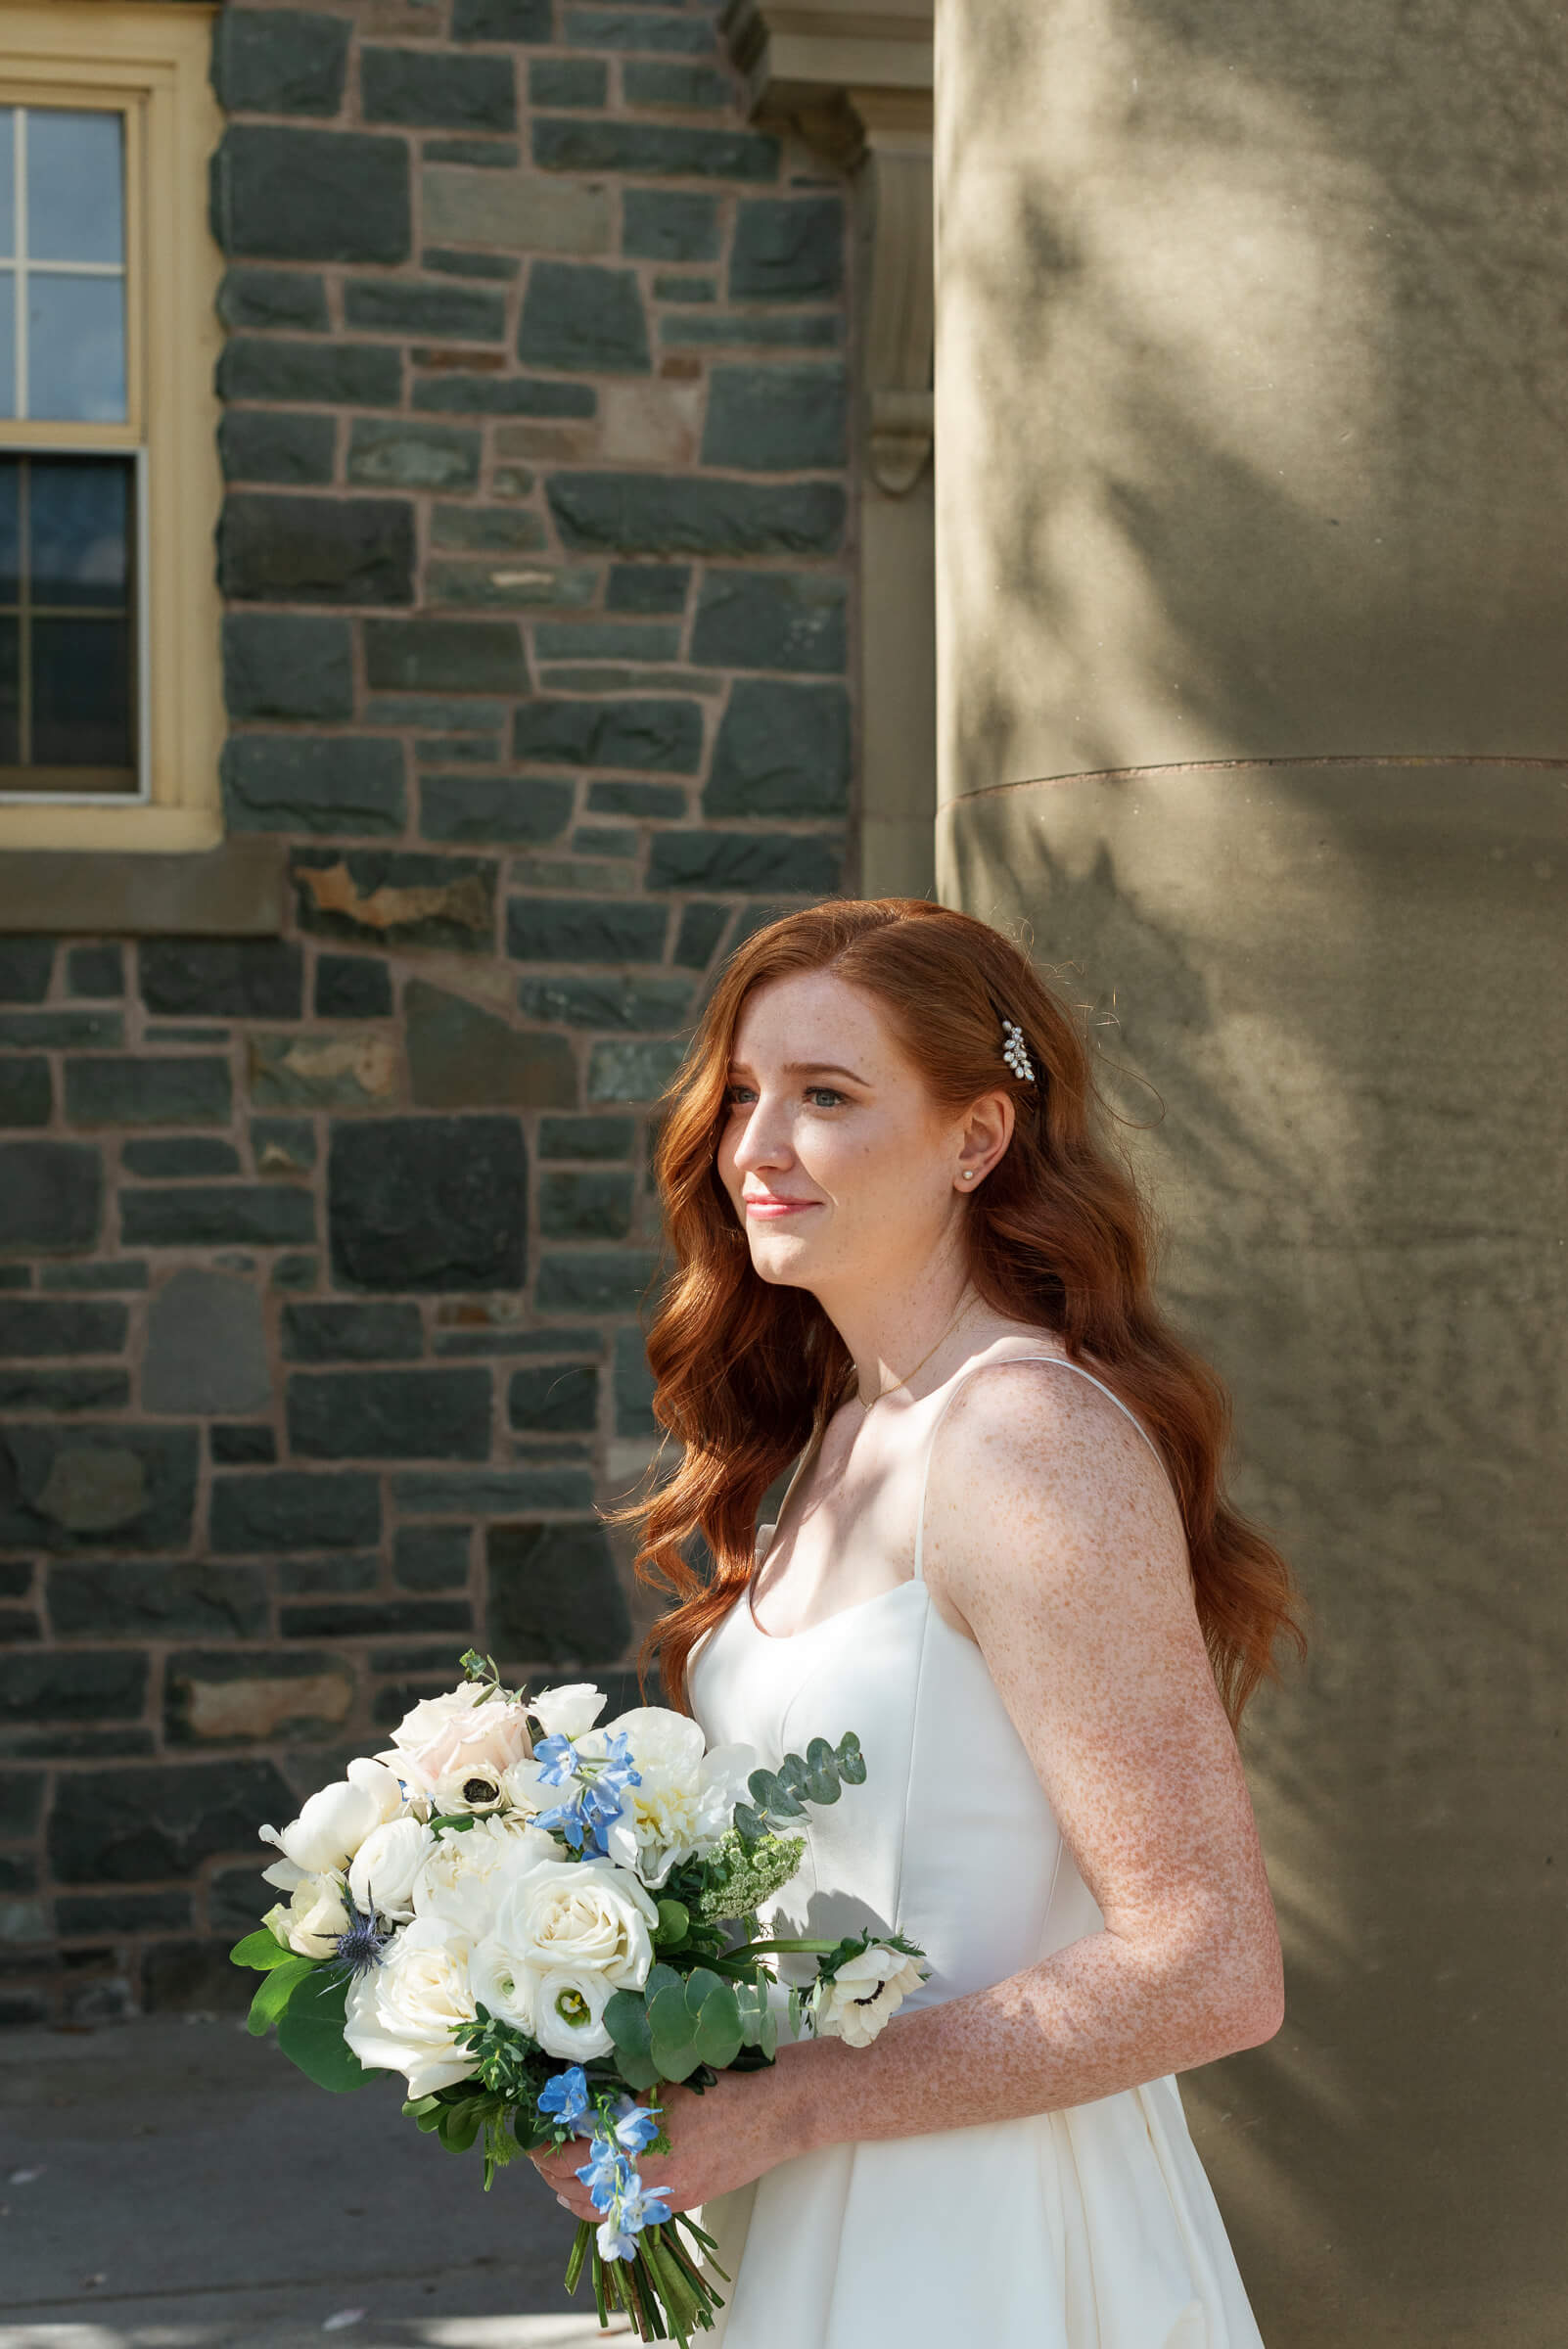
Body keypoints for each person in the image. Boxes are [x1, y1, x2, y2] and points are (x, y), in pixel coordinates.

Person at [533, 898, 1302, 2347]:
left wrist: (799, 2102)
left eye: (826, 1096)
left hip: (979, 2239)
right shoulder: (833, 1435)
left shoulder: (1020, 1437)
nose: (755, 1146)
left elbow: (1208, 1966)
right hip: (793, 2201)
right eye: (745, 1093)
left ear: (974, 1137)